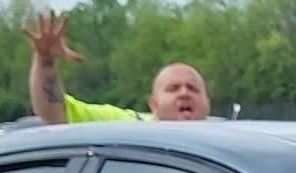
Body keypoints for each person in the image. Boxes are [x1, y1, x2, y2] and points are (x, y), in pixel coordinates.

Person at [23, 10, 210, 125]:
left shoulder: (228, 139)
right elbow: (54, 112)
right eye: (173, 89)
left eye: (193, 88)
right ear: (153, 104)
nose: (184, 93)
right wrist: (45, 60)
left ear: (207, 104)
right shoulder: (125, 128)